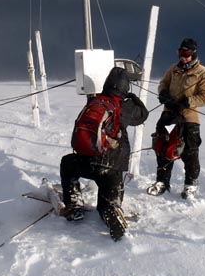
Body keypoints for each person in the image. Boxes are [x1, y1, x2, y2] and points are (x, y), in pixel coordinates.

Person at [60, 67, 148, 241]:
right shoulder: (126, 106)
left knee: (67, 164)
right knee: (108, 203)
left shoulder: (95, 100)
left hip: (85, 161)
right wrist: (133, 98)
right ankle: (111, 212)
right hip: (111, 167)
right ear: (126, 87)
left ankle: (74, 204)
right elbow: (142, 115)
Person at [147, 38, 205, 199]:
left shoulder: (204, 73)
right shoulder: (173, 69)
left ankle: (190, 184)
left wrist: (187, 102)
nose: (183, 57)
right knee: (163, 146)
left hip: (188, 117)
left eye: (186, 53)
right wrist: (163, 93)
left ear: (194, 54)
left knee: (190, 151)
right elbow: (163, 84)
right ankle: (162, 182)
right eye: (180, 53)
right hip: (169, 116)